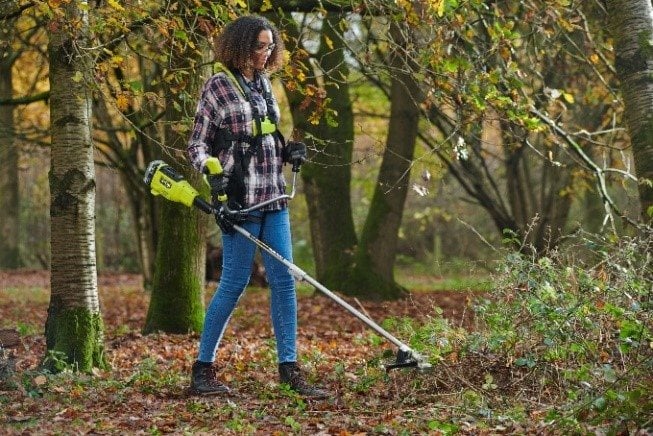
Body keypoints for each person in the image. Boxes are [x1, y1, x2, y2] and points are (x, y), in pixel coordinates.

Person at [186, 15, 328, 399]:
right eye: (258, 46)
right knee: (234, 283)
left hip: (275, 196)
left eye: (269, 47)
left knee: (285, 281)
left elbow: (264, 138)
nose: (265, 54)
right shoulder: (218, 85)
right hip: (239, 200)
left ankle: (290, 369)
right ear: (240, 46)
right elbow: (197, 144)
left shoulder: (264, 84)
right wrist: (210, 174)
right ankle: (202, 370)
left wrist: (289, 150)